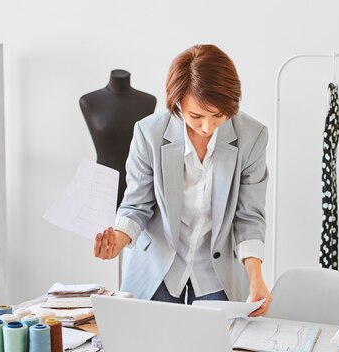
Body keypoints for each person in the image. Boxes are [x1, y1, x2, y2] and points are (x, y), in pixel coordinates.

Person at [93, 44, 272, 316]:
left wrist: (256, 277)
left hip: (216, 273)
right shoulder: (148, 133)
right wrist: (115, 242)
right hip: (156, 271)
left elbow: (249, 217)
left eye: (218, 116)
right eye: (196, 116)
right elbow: (136, 205)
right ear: (177, 104)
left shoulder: (252, 136)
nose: (207, 127)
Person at [79, 69, 157, 208]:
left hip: (138, 180)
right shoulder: (89, 101)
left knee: (134, 226)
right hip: (102, 182)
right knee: (101, 228)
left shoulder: (148, 101)